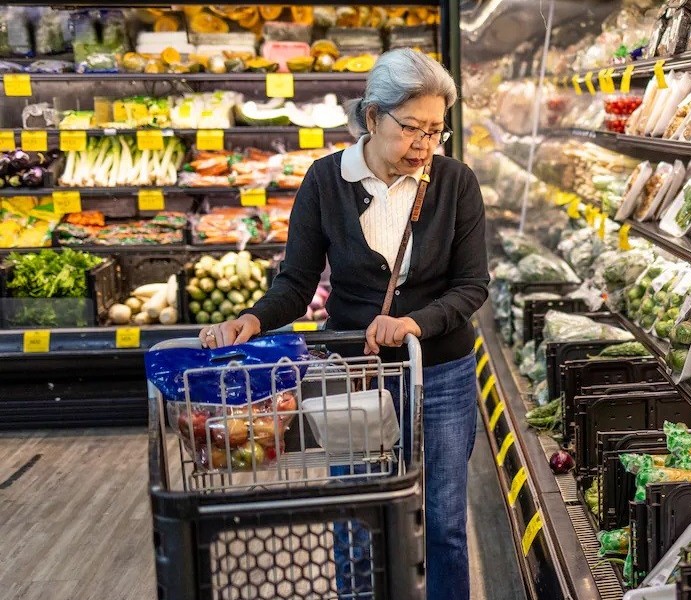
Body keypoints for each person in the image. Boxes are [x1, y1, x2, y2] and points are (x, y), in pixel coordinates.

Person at [199, 48, 489, 599]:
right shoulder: (324, 182)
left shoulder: (455, 182)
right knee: (356, 520)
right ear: (373, 117)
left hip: (443, 371)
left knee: (446, 524)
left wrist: (413, 324)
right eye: (411, 129)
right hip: (355, 374)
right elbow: (296, 283)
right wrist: (254, 319)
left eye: (435, 132)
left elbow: (471, 286)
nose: (424, 146)